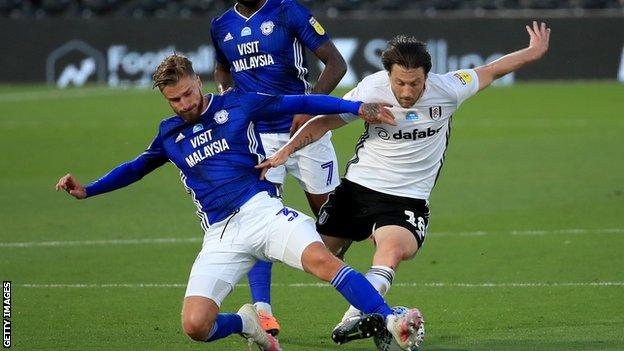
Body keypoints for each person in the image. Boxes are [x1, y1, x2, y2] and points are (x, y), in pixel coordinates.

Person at [55, 54, 423, 351]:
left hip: (262, 212)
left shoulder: (238, 104)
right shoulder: (168, 135)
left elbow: (298, 101)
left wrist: (357, 107)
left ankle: (392, 318)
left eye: (188, 93)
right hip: (220, 235)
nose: (185, 104)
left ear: (198, 81)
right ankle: (248, 323)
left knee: (322, 261)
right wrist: (89, 189)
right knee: (196, 326)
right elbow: (135, 168)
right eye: (175, 100)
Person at [256, 21, 551, 347]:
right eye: (400, 83)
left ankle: (360, 316)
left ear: (428, 77)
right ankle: (255, 311)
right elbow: (325, 122)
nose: (407, 91)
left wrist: (533, 52)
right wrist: (286, 150)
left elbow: (492, 69)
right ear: (388, 77)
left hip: (407, 201)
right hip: (357, 191)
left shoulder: (449, 88)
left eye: (415, 83)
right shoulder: (371, 89)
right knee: (313, 256)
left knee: (392, 250)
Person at [210, 0, 347, 334]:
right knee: (259, 218)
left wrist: (311, 105)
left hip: (306, 133)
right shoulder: (220, 25)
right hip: (256, 138)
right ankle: (263, 311)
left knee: (336, 226)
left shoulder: (288, 11)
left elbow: (336, 63)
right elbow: (223, 68)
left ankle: (352, 293)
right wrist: (227, 96)